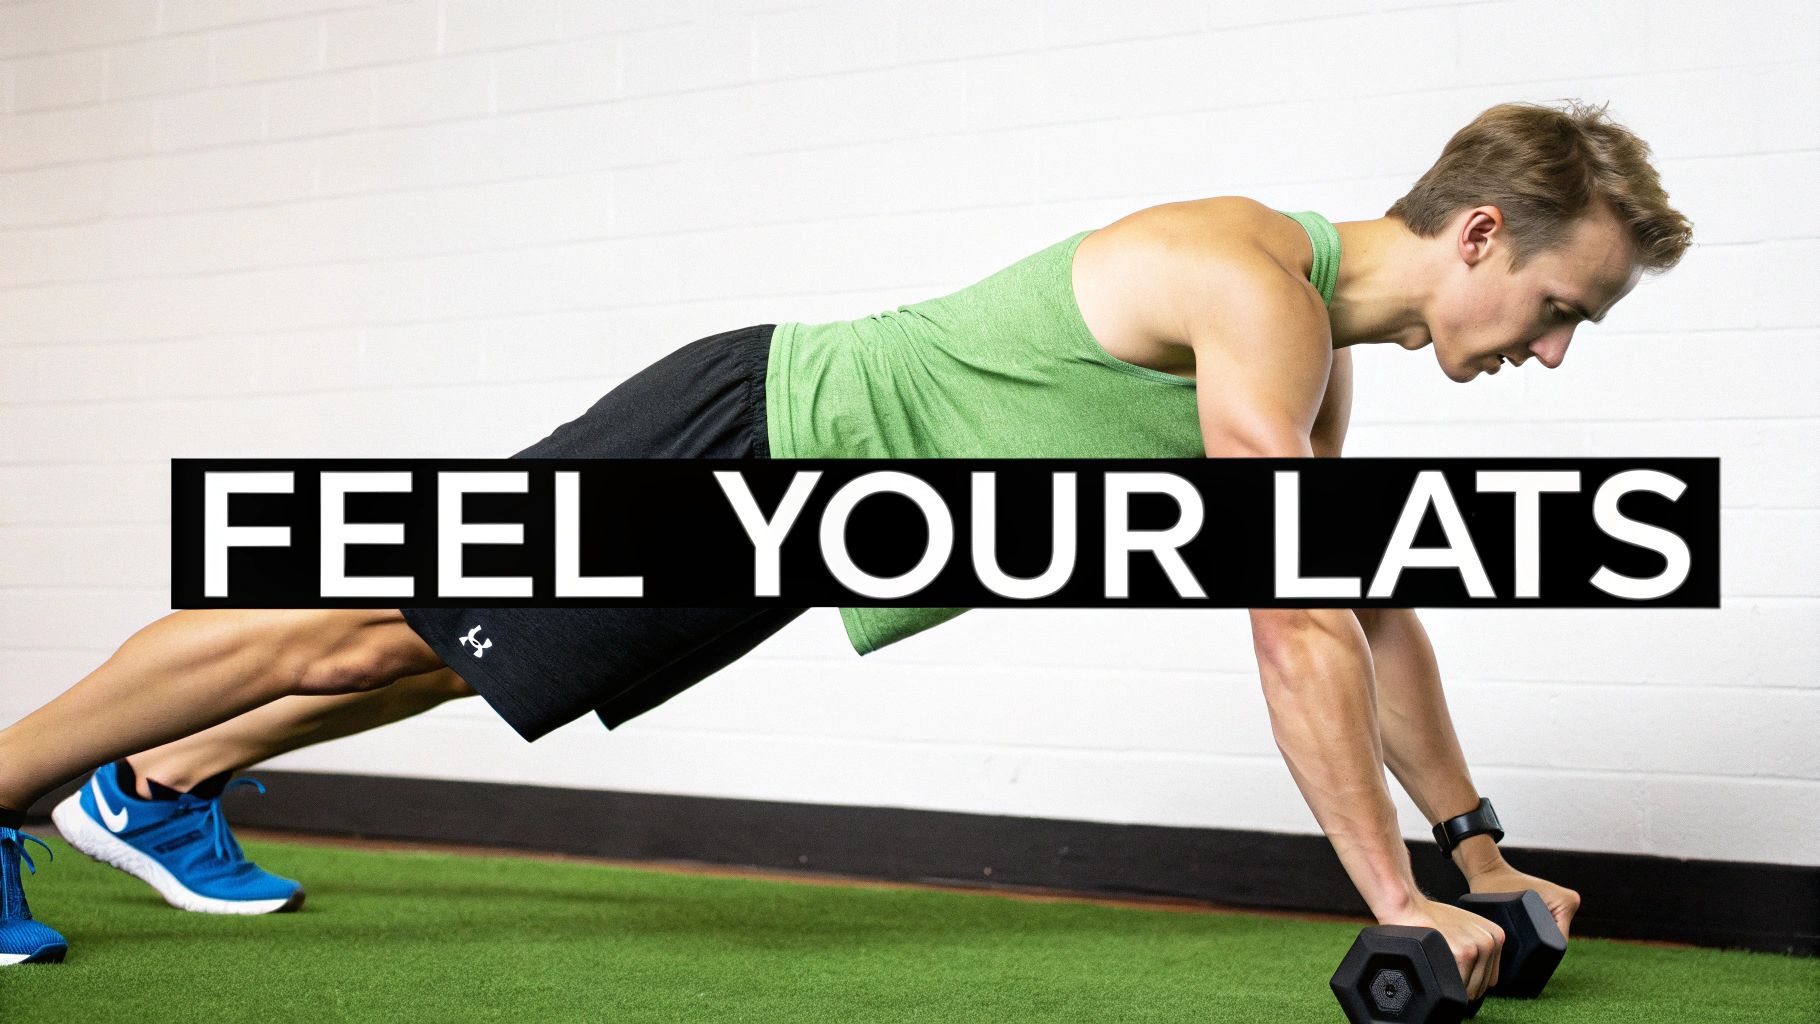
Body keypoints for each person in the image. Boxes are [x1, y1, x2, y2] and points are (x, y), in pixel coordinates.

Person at [0, 99, 1691, 999]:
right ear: (1484, 233)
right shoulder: (1255, 286)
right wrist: (1392, 900)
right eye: (1560, 309)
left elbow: (1373, 604)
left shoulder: (1317, 364)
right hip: (748, 427)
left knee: (423, 661)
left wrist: (1474, 851)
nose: (1549, 353)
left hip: (796, 523)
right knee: (348, 628)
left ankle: (143, 789)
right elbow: (1291, 612)